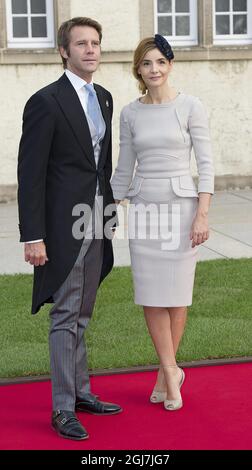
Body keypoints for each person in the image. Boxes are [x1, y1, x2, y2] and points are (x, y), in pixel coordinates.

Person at [17, 17, 121, 441]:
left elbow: (101, 165)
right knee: (65, 312)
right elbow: (31, 173)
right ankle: (62, 409)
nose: (91, 50)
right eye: (81, 44)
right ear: (64, 51)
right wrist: (33, 235)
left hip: (97, 217)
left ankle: (80, 392)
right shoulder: (45, 101)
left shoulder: (104, 97)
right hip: (62, 225)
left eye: (95, 43)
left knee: (83, 310)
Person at [111, 35, 214, 411]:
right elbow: (123, 168)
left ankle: (165, 373)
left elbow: (206, 164)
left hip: (182, 209)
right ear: (137, 69)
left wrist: (202, 213)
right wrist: (107, 207)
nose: (153, 70)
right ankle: (172, 371)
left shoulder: (190, 107)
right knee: (151, 295)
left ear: (170, 65)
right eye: (146, 63)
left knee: (177, 295)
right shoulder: (129, 113)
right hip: (143, 211)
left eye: (160, 62)